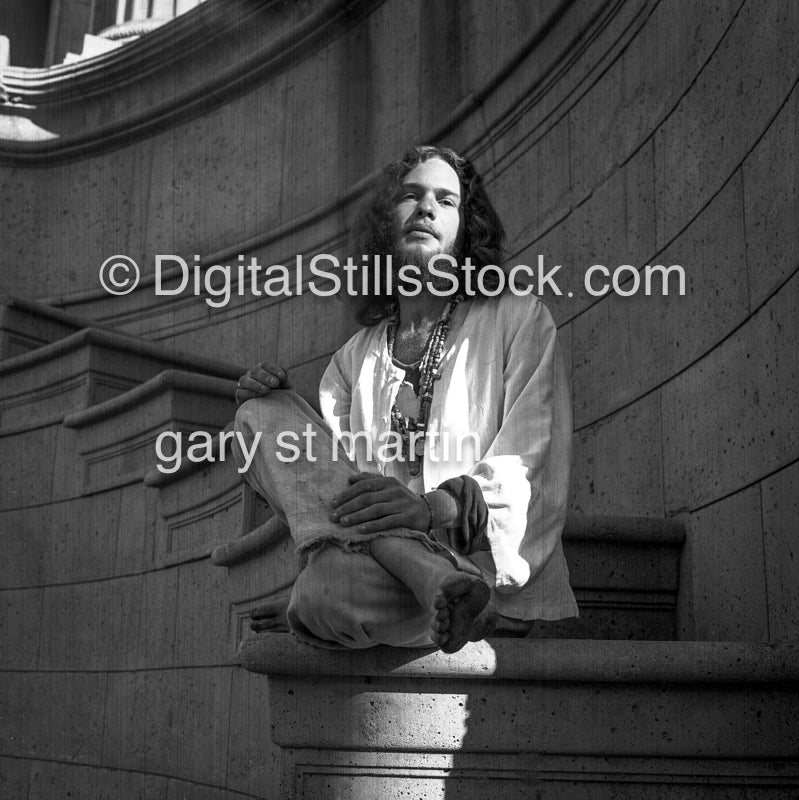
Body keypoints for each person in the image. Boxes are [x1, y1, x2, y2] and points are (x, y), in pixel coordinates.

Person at [233, 145, 577, 653]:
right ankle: (420, 572)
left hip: (483, 571)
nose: (426, 209)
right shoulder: (351, 361)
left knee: (317, 597)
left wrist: (429, 509)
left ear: (467, 229)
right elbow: (333, 496)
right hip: (400, 585)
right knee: (257, 414)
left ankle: (440, 586)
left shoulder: (519, 318)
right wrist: (272, 409)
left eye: (447, 200)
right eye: (410, 196)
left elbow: (532, 464)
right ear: (384, 227)